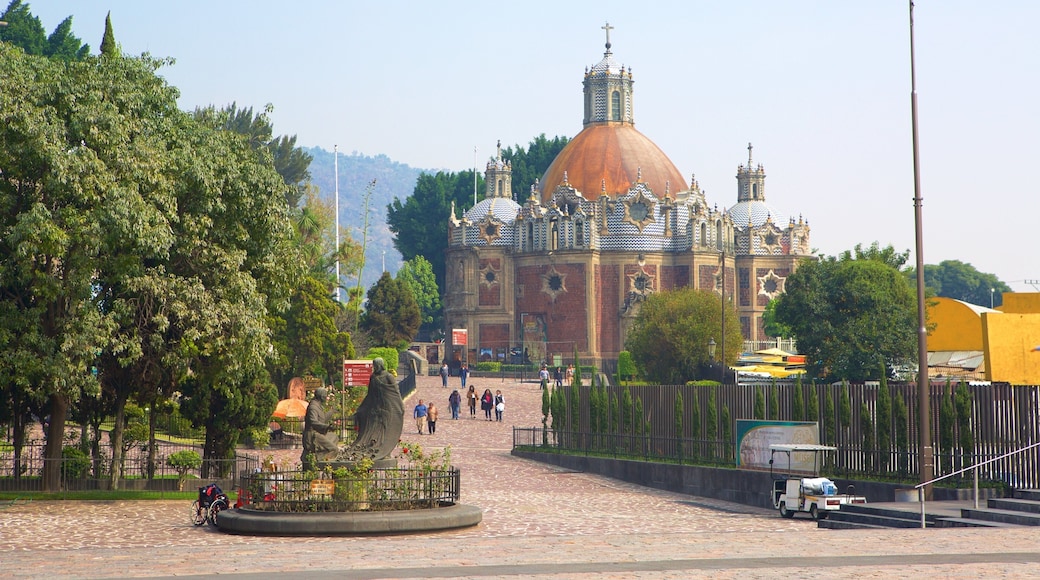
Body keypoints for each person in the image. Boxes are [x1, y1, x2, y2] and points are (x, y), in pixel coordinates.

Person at [341, 357, 405, 461]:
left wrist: (400, 405)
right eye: (373, 365)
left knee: (384, 430)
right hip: (375, 408)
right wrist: (361, 408)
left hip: (386, 408)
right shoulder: (373, 377)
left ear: (380, 365)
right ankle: (374, 448)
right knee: (373, 430)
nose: (374, 367)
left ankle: (385, 450)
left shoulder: (388, 376)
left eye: (376, 365)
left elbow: (395, 392)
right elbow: (370, 394)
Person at [301, 387, 339, 470]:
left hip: (318, 433)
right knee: (334, 449)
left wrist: (332, 411)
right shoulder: (313, 407)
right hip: (312, 435)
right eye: (325, 396)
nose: (326, 398)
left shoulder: (318, 406)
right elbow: (313, 422)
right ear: (321, 396)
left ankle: (319, 456)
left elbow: (322, 419)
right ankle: (317, 460)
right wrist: (327, 427)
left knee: (334, 437)